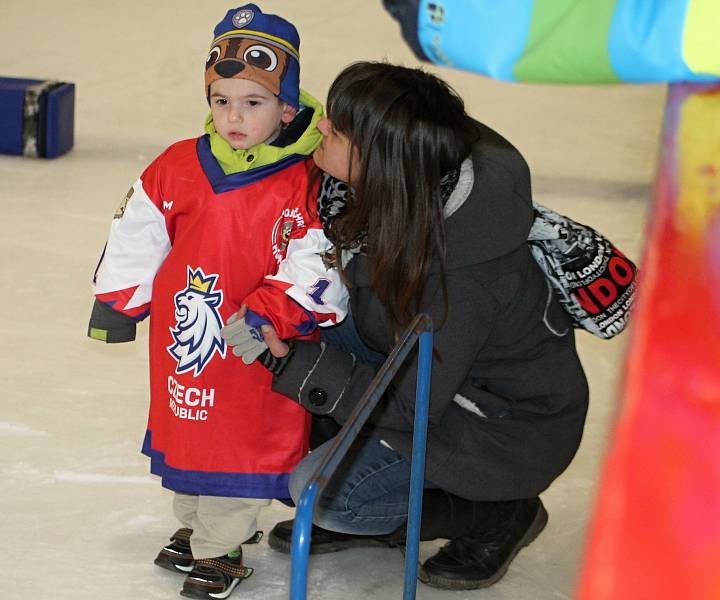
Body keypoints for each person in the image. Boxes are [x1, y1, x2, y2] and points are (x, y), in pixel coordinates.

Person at [224, 61, 590, 591]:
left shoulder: (458, 277)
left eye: (339, 128)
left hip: (498, 426)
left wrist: (296, 365)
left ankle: (495, 511)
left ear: (381, 160)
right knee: (305, 318)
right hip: (430, 367)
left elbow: (411, 405)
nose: (322, 126)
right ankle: (394, 491)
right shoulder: (407, 186)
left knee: (323, 494)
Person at [87, 5, 347, 598]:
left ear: (286, 106)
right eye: (221, 101)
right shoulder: (180, 162)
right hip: (186, 339)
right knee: (189, 433)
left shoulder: (303, 178)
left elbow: (315, 261)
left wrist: (268, 312)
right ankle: (197, 527)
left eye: (253, 103)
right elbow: (139, 225)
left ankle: (221, 545)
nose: (233, 117)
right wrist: (119, 300)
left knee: (238, 442)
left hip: (254, 346)